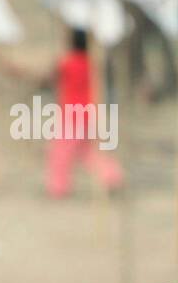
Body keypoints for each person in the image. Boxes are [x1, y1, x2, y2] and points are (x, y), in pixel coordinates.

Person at [38, 28, 123, 198]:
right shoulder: (93, 63)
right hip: (90, 112)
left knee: (60, 153)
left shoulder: (67, 62)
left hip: (71, 114)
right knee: (88, 152)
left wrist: (53, 63)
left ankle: (58, 187)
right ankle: (112, 175)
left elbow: (48, 79)